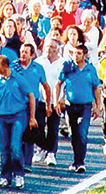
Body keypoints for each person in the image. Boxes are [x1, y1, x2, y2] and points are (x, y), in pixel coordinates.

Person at [0, 55, 38, 189]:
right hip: (3, 117)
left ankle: (19, 174)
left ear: (5, 66)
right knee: (4, 148)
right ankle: (5, 177)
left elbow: (31, 96)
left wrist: (32, 117)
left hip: (18, 116)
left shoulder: (18, 79)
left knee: (15, 146)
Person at [54, 44, 102, 173]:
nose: (76, 55)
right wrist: (56, 101)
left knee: (82, 132)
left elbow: (97, 87)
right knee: (73, 134)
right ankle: (76, 161)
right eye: (74, 53)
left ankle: (81, 162)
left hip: (85, 106)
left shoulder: (90, 69)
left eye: (79, 53)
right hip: (70, 106)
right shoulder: (68, 67)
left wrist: (98, 106)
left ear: (85, 55)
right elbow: (58, 84)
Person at [11, 43, 51, 172]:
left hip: (33, 104)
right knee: (18, 132)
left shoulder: (38, 68)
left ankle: (27, 163)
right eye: (21, 51)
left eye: (26, 52)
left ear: (32, 55)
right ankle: (18, 161)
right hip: (17, 104)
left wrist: (48, 104)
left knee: (30, 133)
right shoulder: (14, 67)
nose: (23, 54)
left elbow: (46, 86)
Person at [35, 38, 65, 166]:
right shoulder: (38, 62)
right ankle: (41, 147)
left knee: (53, 127)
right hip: (41, 99)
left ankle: (51, 152)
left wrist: (62, 99)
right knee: (39, 125)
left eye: (51, 46)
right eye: (46, 46)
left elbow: (66, 82)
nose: (48, 49)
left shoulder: (64, 63)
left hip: (56, 100)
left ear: (57, 49)